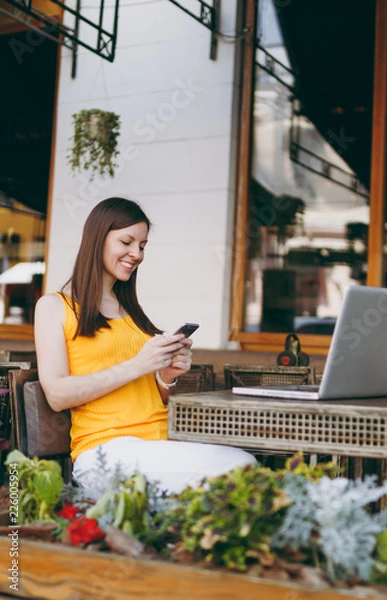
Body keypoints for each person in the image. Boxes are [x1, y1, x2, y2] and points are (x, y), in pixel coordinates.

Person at [34, 197, 256, 498]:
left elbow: (149, 396)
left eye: (142, 246)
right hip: (104, 453)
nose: (136, 254)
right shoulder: (54, 307)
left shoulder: (130, 311)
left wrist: (166, 376)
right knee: (241, 468)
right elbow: (57, 395)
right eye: (127, 241)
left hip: (160, 443)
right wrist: (138, 364)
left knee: (245, 467)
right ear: (97, 239)